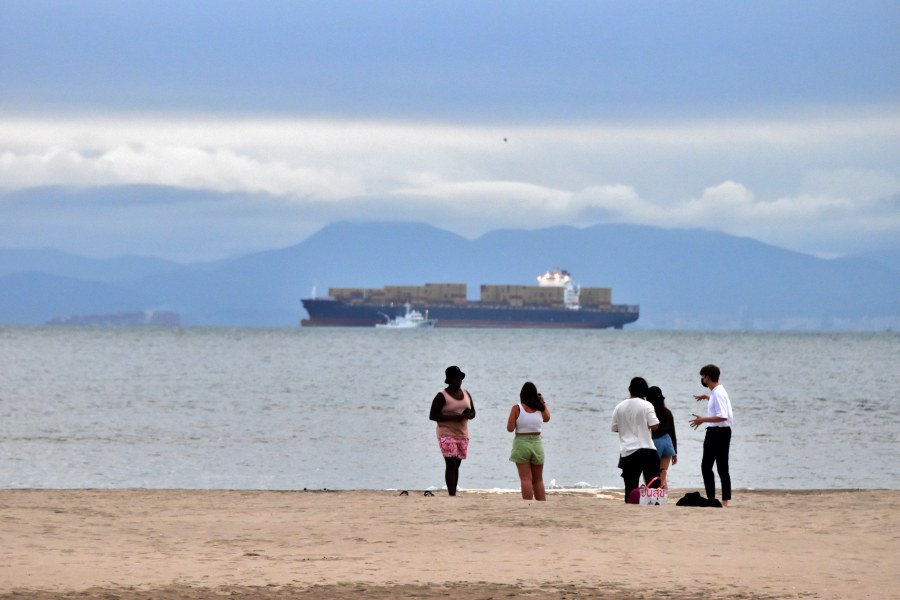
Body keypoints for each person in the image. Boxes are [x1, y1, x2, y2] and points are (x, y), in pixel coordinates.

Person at [611, 376, 661, 503]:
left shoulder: (619, 407)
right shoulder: (647, 405)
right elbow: (654, 425)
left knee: (630, 487)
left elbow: (615, 428)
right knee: (652, 484)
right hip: (647, 450)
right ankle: (654, 506)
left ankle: (630, 506)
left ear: (630, 389)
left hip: (627, 452)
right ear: (644, 390)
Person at [690, 364, 734, 507]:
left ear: (708, 377)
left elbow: (723, 416)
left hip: (718, 433)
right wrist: (707, 397)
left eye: (703, 376)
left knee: (713, 467)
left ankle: (718, 500)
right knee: (714, 466)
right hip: (719, 432)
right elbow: (719, 406)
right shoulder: (716, 392)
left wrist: (702, 419)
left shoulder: (719, 392)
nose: (702, 379)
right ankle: (716, 500)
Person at [429, 365, 476, 496]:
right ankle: (451, 494)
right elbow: (433, 415)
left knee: (457, 464)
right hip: (446, 433)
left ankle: (453, 491)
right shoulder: (441, 396)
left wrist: (468, 415)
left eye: (460, 378)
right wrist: (456, 417)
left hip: (462, 434)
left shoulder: (466, 393)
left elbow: (473, 412)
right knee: (451, 463)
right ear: (449, 380)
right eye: (456, 378)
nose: (459, 381)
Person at [506, 381, 551, 501]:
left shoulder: (517, 408)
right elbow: (547, 418)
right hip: (537, 444)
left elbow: (510, 429)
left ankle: (528, 505)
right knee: (539, 479)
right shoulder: (539, 408)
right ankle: (541, 504)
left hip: (521, 444)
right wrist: (543, 402)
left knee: (526, 479)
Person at [647, 386, 677, 489]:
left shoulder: (649, 413)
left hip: (654, 444)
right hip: (667, 443)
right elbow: (672, 433)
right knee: (663, 474)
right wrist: (675, 452)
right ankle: (663, 496)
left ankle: (653, 496)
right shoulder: (667, 412)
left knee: (651, 475)